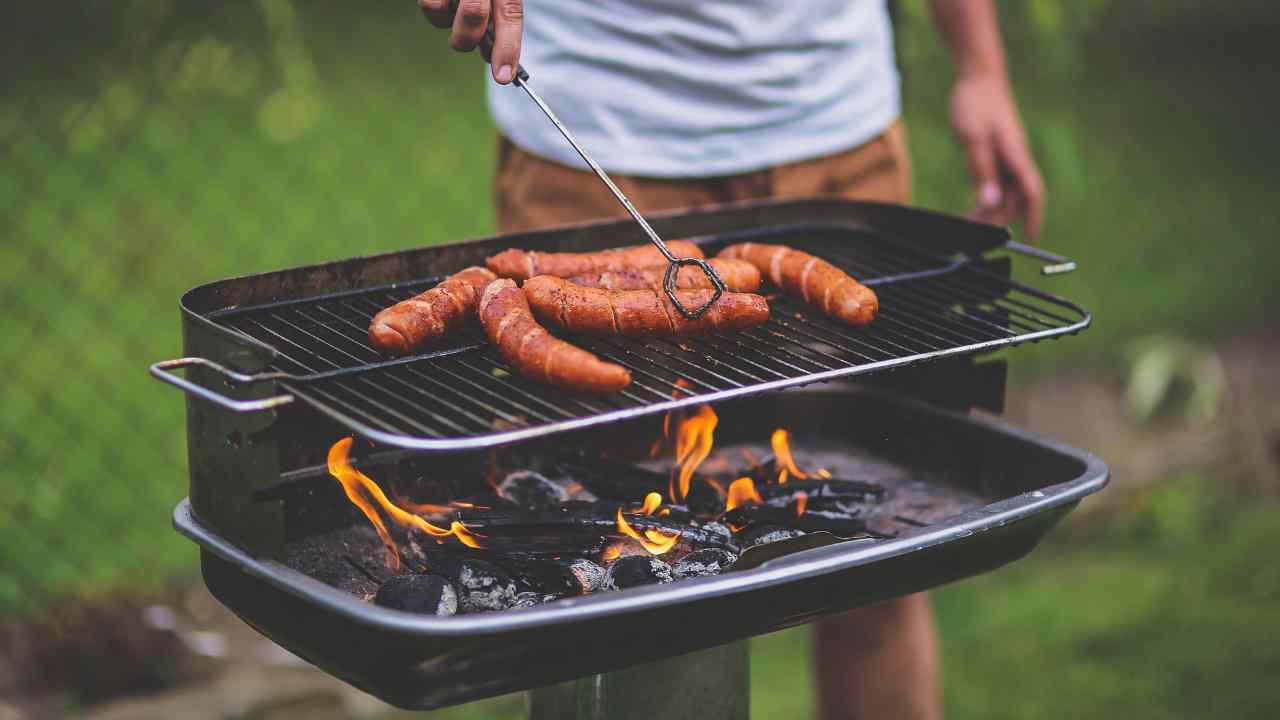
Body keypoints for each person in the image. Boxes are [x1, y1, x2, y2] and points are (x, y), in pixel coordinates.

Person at [421, 1, 1044, 717]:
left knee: (879, 559)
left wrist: (981, 67)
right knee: (610, 575)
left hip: (836, 131)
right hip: (592, 131)